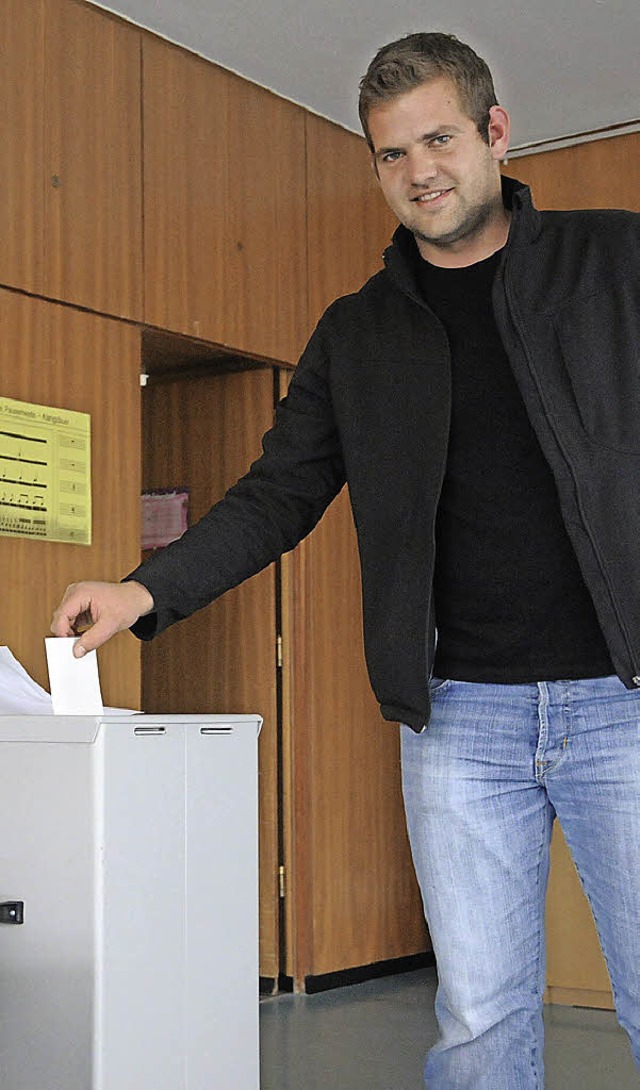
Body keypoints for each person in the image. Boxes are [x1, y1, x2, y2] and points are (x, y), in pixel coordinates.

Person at [51, 31, 640, 1089]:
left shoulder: (616, 262)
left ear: (495, 132)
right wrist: (146, 588)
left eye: (441, 138)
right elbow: (279, 493)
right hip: (459, 717)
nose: (420, 170)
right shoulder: (357, 334)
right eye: (391, 152)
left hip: (624, 697)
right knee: (477, 1015)